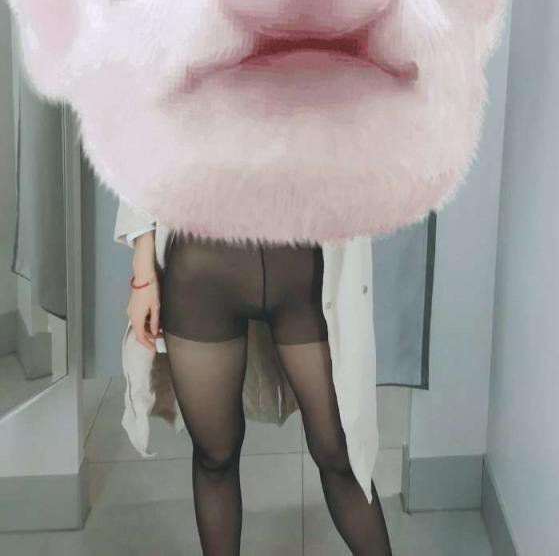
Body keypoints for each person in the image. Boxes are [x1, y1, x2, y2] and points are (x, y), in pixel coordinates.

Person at [122, 211, 392, 556]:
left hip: (304, 266)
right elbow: (142, 173)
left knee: (339, 453)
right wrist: (143, 273)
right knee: (215, 456)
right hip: (203, 269)